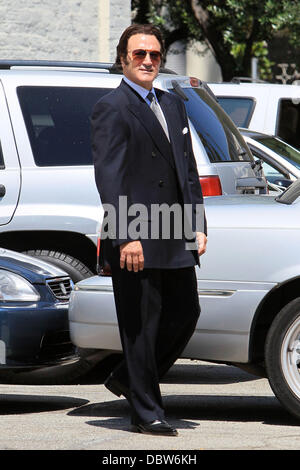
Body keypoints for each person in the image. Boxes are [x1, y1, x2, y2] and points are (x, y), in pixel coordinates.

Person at [91, 23, 207, 436]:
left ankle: (128, 378)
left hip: (174, 229)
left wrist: (197, 223)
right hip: (136, 232)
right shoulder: (113, 106)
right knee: (141, 325)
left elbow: (187, 170)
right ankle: (146, 412)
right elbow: (110, 177)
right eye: (139, 54)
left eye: (154, 55)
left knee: (185, 313)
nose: (147, 61)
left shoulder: (173, 104)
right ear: (123, 57)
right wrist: (126, 236)